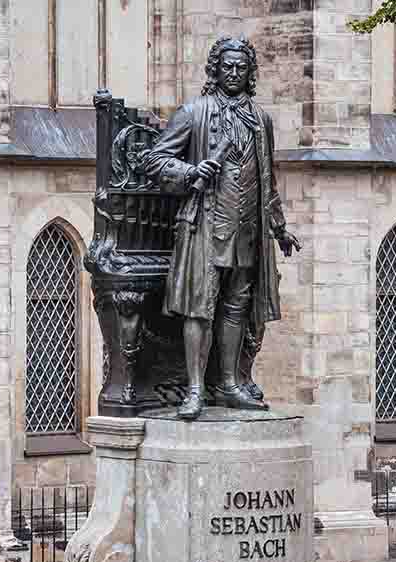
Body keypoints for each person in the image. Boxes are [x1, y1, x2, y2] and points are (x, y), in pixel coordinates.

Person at [142, 36, 302, 420]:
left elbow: (269, 179)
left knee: (237, 307)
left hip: (247, 229)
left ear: (250, 73)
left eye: (241, 67)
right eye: (227, 66)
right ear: (215, 69)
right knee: (200, 308)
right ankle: (195, 389)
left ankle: (229, 383)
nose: (233, 73)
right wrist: (192, 170)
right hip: (204, 227)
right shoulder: (193, 113)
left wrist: (279, 228)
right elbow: (154, 160)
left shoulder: (260, 120)